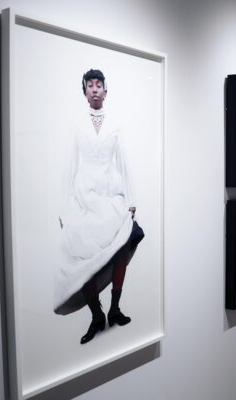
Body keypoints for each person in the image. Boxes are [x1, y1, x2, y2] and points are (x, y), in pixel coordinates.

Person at [54, 69, 144, 345]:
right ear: (85, 92)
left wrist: (131, 200)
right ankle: (97, 315)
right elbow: (69, 164)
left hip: (111, 197)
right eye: (89, 85)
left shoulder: (115, 124)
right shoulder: (76, 124)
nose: (94, 89)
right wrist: (63, 209)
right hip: (83, 201)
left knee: (120, 250)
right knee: (84, 260)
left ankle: (115, 308)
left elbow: (125, 161)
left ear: (106, 90)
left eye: (99, 85)